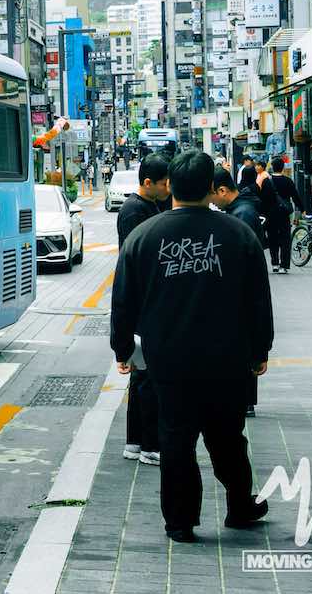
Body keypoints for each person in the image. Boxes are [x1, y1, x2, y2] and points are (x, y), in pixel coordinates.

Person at [111, 151, 273, 544]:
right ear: (208, 187)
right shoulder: (238, 235)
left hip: (168, 362)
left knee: (175, 440)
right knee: (228, 437)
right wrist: (259, 351)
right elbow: (258, 299)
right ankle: (239, 507)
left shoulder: (143, 238)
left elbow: (123, 302)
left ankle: (180, 522)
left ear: (171, 185)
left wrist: (122, 351)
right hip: (227, 360)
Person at [115, 154, 171, 467]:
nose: (168, 187)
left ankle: (135, 442)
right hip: (143, 302)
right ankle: (150, 444)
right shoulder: (134, 210)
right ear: (147, 183)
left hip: (142, 301)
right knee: (148, 377)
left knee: (141, 377)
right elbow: (138, 260)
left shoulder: (148, 205)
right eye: (164, 183)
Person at [211, 168, 267, 417]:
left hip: (241, 293)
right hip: (245, 293)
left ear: (222, 190)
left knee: (241, 346)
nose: (211, 201)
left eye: (213, 195)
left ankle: (244, 400)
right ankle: (245, 399)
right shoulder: (241, 209)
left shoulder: (241, 215)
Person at [267, 158, 304, 273]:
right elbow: (295, 197)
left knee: (272, 238)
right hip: (284, 213)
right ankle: (284, 266)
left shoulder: (267, 182)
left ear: (272, 167)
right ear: (282, 167)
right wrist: (302, 209)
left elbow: (263, 199)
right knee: (285, 239)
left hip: (271, 214)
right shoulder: (288, 181)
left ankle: (275, 264)